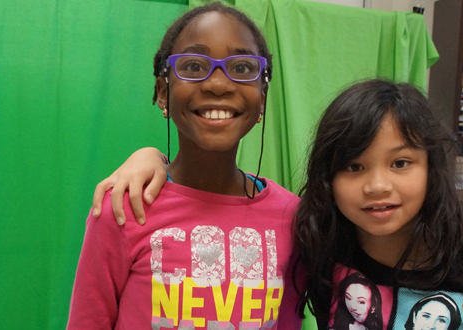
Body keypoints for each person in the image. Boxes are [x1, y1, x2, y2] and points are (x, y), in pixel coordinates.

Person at [90, 79, 463, 329]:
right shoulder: (322, 256)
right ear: (328, 179)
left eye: (400, 163)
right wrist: (151, 157)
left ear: (432, 168)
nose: (378, 186)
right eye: (354, 168)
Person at [67, 3, 302, 329]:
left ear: (262, 98)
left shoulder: (295, 218)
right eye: (193, 65)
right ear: (163, 93)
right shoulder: (124, 207)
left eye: (243, 67)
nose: (218, 84)